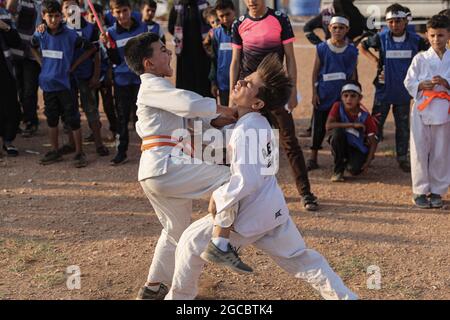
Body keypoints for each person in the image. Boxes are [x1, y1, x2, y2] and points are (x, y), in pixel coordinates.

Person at [166, 54, 358, 300]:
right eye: (245, 78)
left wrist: (219, 196)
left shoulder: (248, 128)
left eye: (249, 84)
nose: (241, 82)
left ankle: (180, 297)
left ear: (257, 103)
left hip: (251, 211)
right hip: (272, 209)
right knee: (302, 259)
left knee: (190, 242)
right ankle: (346, 298)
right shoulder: (255, 123)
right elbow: (227, 142)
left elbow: (246, 180)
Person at [122, 32, 238, 300]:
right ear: (148, 63)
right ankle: (220, 242)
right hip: (166, 167)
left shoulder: (161, 94)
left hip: (157, 172)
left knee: (175, 231)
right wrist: (224, 108)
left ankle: (153, 287)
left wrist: (234, 117)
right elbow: (188, 103)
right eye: (162, 50)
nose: (169, 53)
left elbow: (197, 121)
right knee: (231, 178)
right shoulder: (152, 86)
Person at [230, 0, 318, 211]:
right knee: (248, 144)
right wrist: (230, 96)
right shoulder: (238, 24)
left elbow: (290, 57)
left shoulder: (279, 19)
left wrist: (293, 91)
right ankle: (250, 195)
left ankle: (305, 193)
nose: (252, 1)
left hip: (275, 94)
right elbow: (235, 61)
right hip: (249, 95)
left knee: (289, 142)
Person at [359, 3, 429, 173]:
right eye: (391, 21)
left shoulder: (416, 39)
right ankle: (367, 156)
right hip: (383, 90)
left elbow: (430, 52)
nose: (394, 24)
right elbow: (362, 46)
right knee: (375, 125)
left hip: (404, 91)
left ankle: (402, 158)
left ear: (406, 21)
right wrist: (375, 61)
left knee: (403, 127)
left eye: (398, 21)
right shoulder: (381, 37)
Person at [30, 0, 95, 167]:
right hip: (48, 85)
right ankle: (55, 150)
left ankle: (79, 152)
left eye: (56, 16)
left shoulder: (70, 35)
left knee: (72, 118)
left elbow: (90, 48)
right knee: (51, 119)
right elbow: (32, 46)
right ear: (43, 17)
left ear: (61, 16)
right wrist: (41, 62)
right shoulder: (40, 33)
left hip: (65, 85)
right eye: (49, 16)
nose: (53, 19)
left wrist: (73, 66)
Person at [404, 14, 450, 209]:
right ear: (426, 35)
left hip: (444, 109)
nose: (436, 39)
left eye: (440, 35)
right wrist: (420, 85)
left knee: (442, 150)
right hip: (422, 109)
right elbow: (408, 82)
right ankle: (420, 191)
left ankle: (438, 190)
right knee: (419, 149)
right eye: (432, 35)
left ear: (448, 35)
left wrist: (446, 83)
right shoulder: (420, 58)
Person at [100, 0, 149, 165]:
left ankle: (150, 151)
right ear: (113, 13)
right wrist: (108, 46)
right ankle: (121, 152)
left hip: (141, 80)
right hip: (122, 81)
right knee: (122, 117)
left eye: (125, 11)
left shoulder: (142, 28)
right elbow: (114, 59)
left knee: (145, 116)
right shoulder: (111, 33)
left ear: (130, 10)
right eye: (118, 12)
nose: (122, 15)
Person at [307, 15, 358, 171]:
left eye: (341, 28)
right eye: (334, 27)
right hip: (324, 93)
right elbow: (315, 72)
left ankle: (342, 157)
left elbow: (353, 75)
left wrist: (354, 94)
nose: (337, 30)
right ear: (329, 28)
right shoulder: (322, 48)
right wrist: (314, 93)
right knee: (318, 126)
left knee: (340, 128)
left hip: (342, 96)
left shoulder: (351, 51)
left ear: (347, 30)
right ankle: (313, 157)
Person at [61, 0, 109, 157]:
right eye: (67, 6)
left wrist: (96, 76)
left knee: (91, 109)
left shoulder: (90, 28)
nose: (70, 9)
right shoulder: (59, 28)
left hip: (86, 76)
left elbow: (96, 54)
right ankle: (71, 143)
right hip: (66, 78)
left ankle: (99, 144)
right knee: (69, 110)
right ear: (62, 10)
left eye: (73, 6)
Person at [326, 81, 378, 182]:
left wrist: (368, 161)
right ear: (341, 97)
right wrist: (352, 125)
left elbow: (373, 142)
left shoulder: (365, 116)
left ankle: (350, 161)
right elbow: (328, 126)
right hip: (343, 143)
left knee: (354, 170)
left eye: (353, 96)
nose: (349, 99)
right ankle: (338, 171)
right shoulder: (337, 106)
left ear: (360, 98)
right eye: (345, 95)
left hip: (357, 148)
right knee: (337, 133)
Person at [6, 0, 42, 138]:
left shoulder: (45, 3)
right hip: (17, 52)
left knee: (29, 90)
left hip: (33, 55)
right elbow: (11, 8)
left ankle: (31, 122)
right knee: (19, 90)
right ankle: (23, 120)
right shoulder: (22, 2)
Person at [86, 2, 117, 142]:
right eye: (91, 15)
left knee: (108, 104)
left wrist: (109, 73)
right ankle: (95, 131)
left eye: (97, 16)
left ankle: (115, 130)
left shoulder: (107, 33)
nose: (94, 18)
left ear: (102, 17)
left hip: (104, 76)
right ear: (87, 16)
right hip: (90, 75)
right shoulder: (86, 32)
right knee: (91, 105)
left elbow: (110, 56)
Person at [168, 0, 212, 97]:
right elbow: (171, 26)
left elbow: (211, 23)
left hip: (203, 51)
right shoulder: (176, 6)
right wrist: (180, 36)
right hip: (184, 52)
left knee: (203, 83)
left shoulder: (204, 4)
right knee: (186, 84)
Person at [0, 5, 21, 157]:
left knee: (9, 105)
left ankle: (8, 141)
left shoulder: (4, 14)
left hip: (5, 68)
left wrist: (5, 27)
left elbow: (16, 41)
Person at [209, 0, 235, 106]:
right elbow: (214, 59)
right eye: (221, 16)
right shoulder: (216, 34)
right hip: (223, 84)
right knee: (227, 117)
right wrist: (213, 82)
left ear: (234, 11)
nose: (225, 19)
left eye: (228, 14)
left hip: (240, 85)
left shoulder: (242, 31)